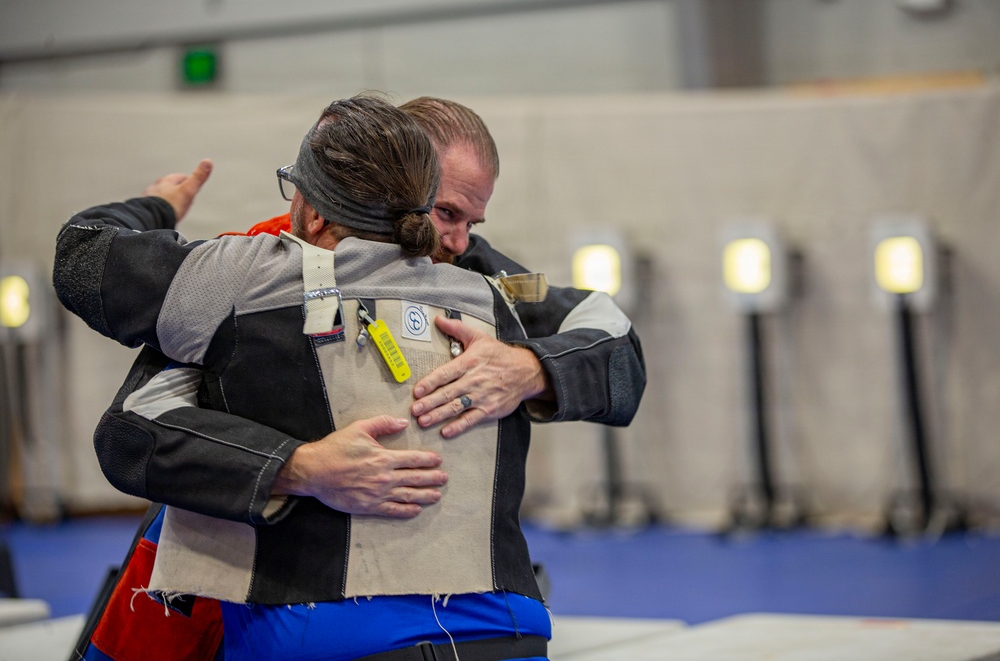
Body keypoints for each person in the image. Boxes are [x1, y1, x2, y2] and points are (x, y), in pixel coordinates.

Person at [63, 97, 647, 661]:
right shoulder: (248, 272)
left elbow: (612, 337)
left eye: (473, 221)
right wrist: (298, 467)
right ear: (396, 185)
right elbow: (135, 426)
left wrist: (529, 368)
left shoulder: (478, 277)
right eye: (443, 212)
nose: (457, 239)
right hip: (236, 590)